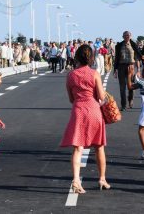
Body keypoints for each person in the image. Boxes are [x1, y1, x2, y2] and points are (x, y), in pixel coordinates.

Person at [61, 44, 110, 194]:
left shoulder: (71, 75)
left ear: (77, 57)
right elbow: (101, 97)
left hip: (78, 111)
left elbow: (71, 98)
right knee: (99, 147)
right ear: (91, 57)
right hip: (94, 111)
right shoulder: (94, 73)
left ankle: (76, 180)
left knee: (78, 147)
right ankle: (102, 179)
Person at [114, 31, 142, 111]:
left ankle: (130, 99)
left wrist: (139, 69)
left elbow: (137, 57)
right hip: (121, 66)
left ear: (130, 36)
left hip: (131, 66)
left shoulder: (133, 45)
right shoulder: (119, 46)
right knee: (122, 87)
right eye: (125, 35)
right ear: (123, 36)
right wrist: (115, 69)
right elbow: (116, 58)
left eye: (128, 35)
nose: (127, 37)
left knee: (131, 86)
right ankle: (123, 104)